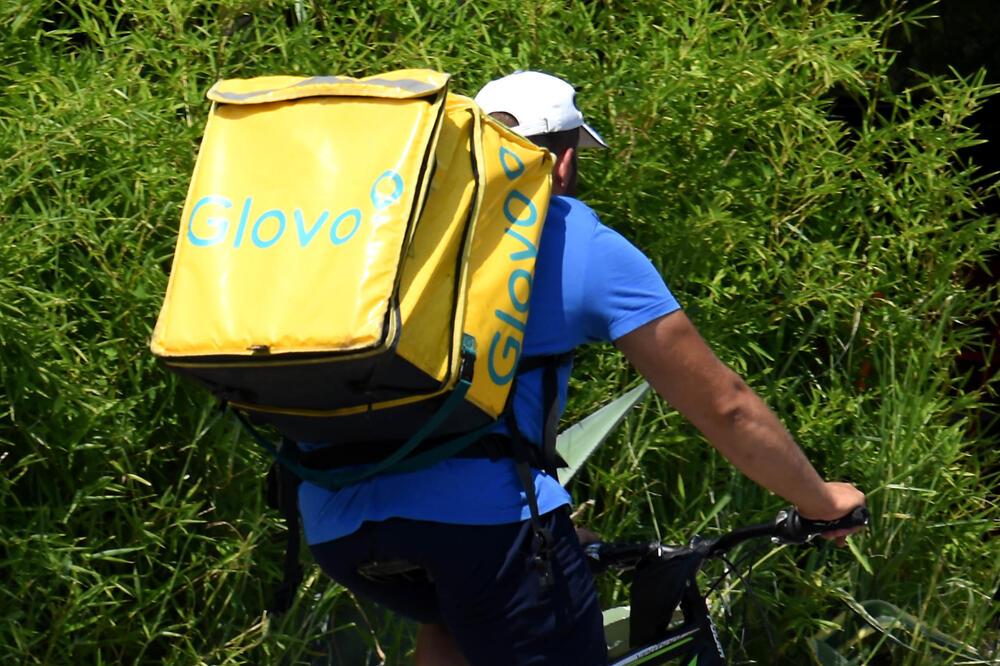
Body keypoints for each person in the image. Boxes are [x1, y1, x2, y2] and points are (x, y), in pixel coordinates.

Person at [297, 70, 866, 666]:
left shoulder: (396, 232)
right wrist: (820, 500)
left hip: (335, 515)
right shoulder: (576, 242)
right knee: (491, 583)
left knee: (460, 618)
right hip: (481, 525)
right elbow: (724, 404)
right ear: (563, 159)